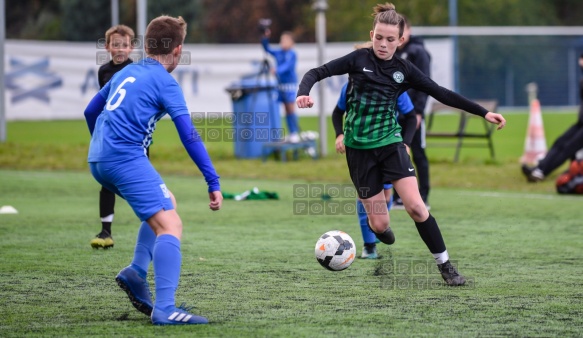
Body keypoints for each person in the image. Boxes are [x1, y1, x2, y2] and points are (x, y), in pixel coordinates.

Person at [296, 2, 506, 286]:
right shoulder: (357, 60)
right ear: (372, 35)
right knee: (380, 225)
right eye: (378, 37)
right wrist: (303, 93)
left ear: (401, 40)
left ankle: (446, 266)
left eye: (390, 39)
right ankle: (381, 232)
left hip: (391, 144)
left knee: (417, 208)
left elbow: (442, 93)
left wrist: (483, 112)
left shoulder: (405, 69)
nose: (383, 44)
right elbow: (316, 72)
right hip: (358, 151)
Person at [84, 15, 222, 325]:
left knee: (167, 202)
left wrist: (102, 143)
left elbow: (90, 110)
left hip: (98, 157)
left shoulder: (127, 71)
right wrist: (212, 179)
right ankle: (165, 309)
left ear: (146, 46)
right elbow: (189, 134)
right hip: (124, 158)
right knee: (171, 226)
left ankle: (135, 272)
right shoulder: (165, 82)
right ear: (178, 50)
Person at [333, 79, 416, 259]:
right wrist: (339, 134)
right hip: (360, 150)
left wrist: (407, 144)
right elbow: (337, 112)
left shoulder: (392, 85)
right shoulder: (349, 87)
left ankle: (378, 227)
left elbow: (411, 116)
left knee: (386, 195)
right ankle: (369, 245)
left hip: (387, 148)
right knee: (365, 196)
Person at [90, 24, 136, 249]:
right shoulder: (104, 72)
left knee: (139, 183)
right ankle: (105, 231)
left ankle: (156, 225)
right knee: (106, 181)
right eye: (115, 44)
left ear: (132, 48)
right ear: (107, 46)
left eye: (124, 45)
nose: (120, 49)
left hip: (134, 137)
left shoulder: (136, 70)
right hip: (110, 136)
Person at [522, 53, 583, 182]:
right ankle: (539, 168)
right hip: (580, 123)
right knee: (560, 142)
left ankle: (542, 172)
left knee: (569, 147)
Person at [393, 16, 432, 210]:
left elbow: (424, 85)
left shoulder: (418, 52)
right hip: (394, 114)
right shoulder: (393, 53)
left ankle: (423, 196)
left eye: (403, 30)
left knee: (417, 153)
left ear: (408, 31)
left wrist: (418, 112)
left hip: (412, 114)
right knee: (393, 153)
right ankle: (397, 196)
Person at [261, 29, 301, 143]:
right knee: (285, 109)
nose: (283, 42)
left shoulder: (292, 54)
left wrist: (277, 70)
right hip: (280, 84)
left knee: (290, 108)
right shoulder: (279, 52)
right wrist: (265, 38)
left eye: (286, 40)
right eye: (282, 40)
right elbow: (267, 49)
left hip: (289, 85)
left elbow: (287, 66)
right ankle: (290, 132)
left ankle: (294, 133)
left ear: (292, 43)